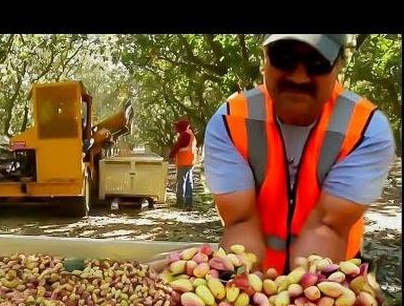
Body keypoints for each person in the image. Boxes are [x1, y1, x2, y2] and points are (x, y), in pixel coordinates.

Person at [204, 34, 395, 274]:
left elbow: (328, 227)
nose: (299, 76)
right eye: (284, 57)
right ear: (264, 58)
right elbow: (240, 221)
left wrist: (300, 298)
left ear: (338, 64)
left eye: (317, 62)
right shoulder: (230, 121)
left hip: (326, 275)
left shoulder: (366, 129)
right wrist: (241, 287)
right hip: (255, 272)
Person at [169, 119, 198, 208]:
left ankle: (180, 202)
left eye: (177, 126)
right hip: (190, 161)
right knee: (188, 181)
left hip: (184, 161)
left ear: (181, 127)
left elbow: (178, 146)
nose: (175, 128)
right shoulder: (190, 134)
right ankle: (188, 203)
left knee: (181, 182)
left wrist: (171, 155)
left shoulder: (184, 135)